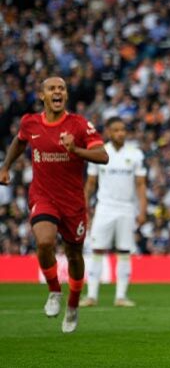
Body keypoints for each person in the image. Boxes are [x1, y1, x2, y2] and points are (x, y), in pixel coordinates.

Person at [0, 76, 109, 333]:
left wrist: (76, 151)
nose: (57, 92)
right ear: (43, 96)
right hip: (43, 196)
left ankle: (73, 305)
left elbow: (103, 155)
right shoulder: (30, 122)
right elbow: (20, 141)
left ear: (66, 96)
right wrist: (5, 167)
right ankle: (54, 291)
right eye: (52, 89)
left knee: (73, 255)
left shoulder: (79, 125)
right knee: (45, 241)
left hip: (72, 203)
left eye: (61, 88)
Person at [80, 117, 148, 308]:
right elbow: (90, 184)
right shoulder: (99, 153)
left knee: (124, 251)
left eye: (123, 130)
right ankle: (91, 295)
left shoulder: (135, 154)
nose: (121, 133)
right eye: (116, 130)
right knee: (97, 250)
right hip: (105, 208)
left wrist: (142, 210)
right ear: (109, 132)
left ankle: (121, 296)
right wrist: (84, 208)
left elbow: (141, 185)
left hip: (126, 208)